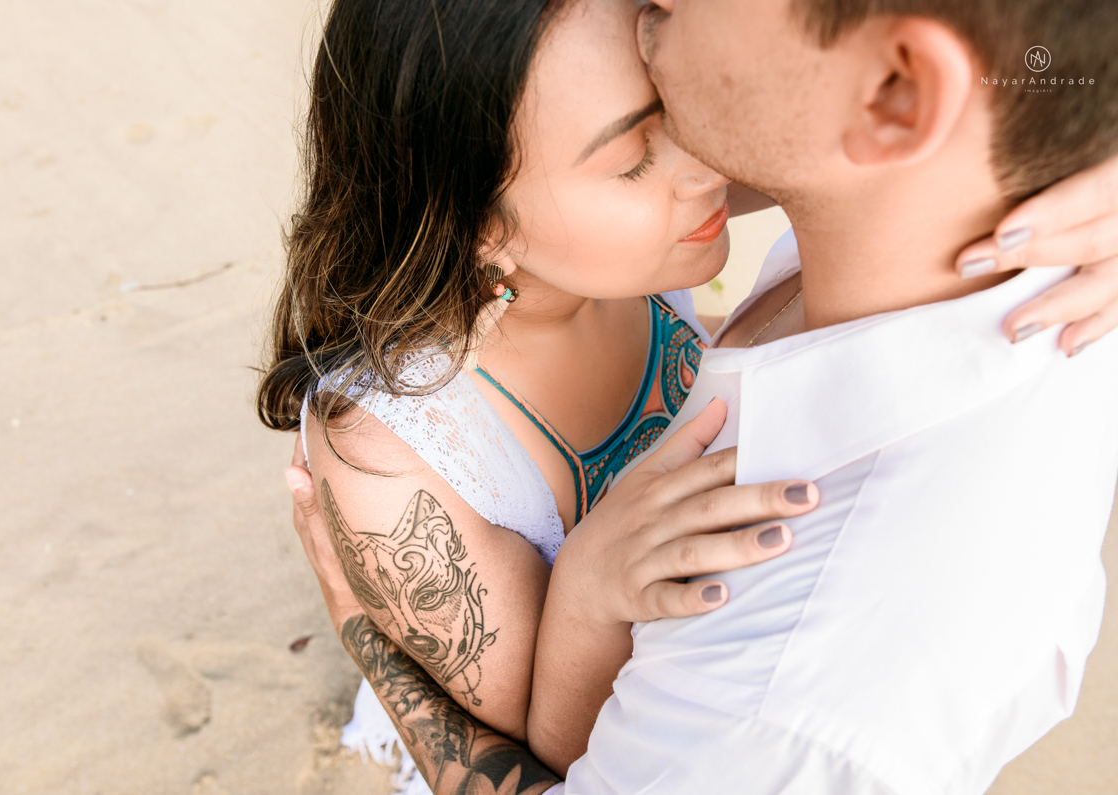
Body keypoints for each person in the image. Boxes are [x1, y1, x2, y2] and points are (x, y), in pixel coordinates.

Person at [271, 0, 1118, 792]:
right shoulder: (392, 453)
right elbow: (551, 747)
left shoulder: (777, 707)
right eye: (635, 156)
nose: (701, 163)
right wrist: (583, 593)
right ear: (481, 225)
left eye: (668, 107)